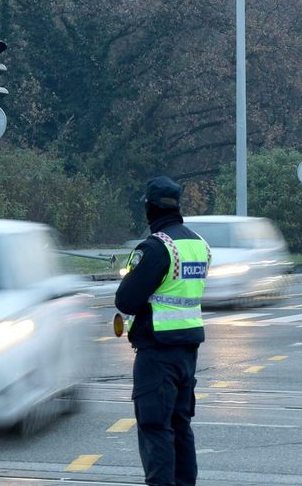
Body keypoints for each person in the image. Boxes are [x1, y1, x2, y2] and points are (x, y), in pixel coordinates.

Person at [116, 176, 210, 486]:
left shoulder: (158, 247)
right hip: (187, 354)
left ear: (149, 208)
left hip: (157, 354)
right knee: (180, 427)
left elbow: (127, 301)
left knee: (155, 428)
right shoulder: (198, 244)